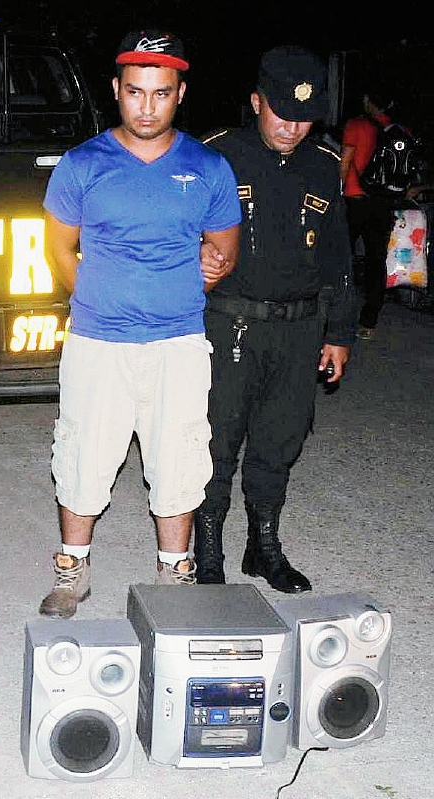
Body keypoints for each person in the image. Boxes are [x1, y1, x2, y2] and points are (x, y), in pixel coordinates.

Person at [38, 30, 241, 618]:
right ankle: (72, 569)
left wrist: (179, 287)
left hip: (178, 342)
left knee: (178, 456)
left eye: (160, 93)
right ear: (116, 91)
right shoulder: (82, 164)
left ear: (180, 93)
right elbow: (59, 250)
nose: (146, 106)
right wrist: (100, 299)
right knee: (82, 452)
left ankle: (173, 575)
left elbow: (223, 251)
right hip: (98, 342)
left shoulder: (208, 167)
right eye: (134, 92)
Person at [197, 46, 356, 592]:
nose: (292, 127)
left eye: (304, 117)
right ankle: (208, 549)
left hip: (299, 327)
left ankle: (263, 546)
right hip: (230, 324)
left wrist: (339, 331)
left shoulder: (326, 165)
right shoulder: (215, 157)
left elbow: (338, 258)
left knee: (279, 441)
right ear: (255, 102)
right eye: (281, 112)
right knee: (217, 441)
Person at [340, 91, 400, 340]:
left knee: (342, 257)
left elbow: (345, 162)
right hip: (383, 203)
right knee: (377, 261)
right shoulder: (397, 131)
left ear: (368, 101)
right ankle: (369, 322)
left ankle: (337, 315)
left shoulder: (356, 125)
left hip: (355, 199)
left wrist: (338, 191)